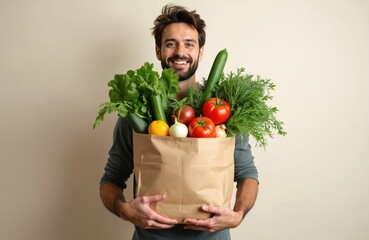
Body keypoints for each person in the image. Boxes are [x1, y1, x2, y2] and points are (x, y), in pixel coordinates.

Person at [99, 4, 259, 240]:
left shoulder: (224, 111)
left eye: (189, 43)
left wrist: (237, 214)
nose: (180, 51)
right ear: (158, 51)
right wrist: (125, 210)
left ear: (201, 52)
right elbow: (111, 179)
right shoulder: (135, 111)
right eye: (170, 43)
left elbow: (247, 173)